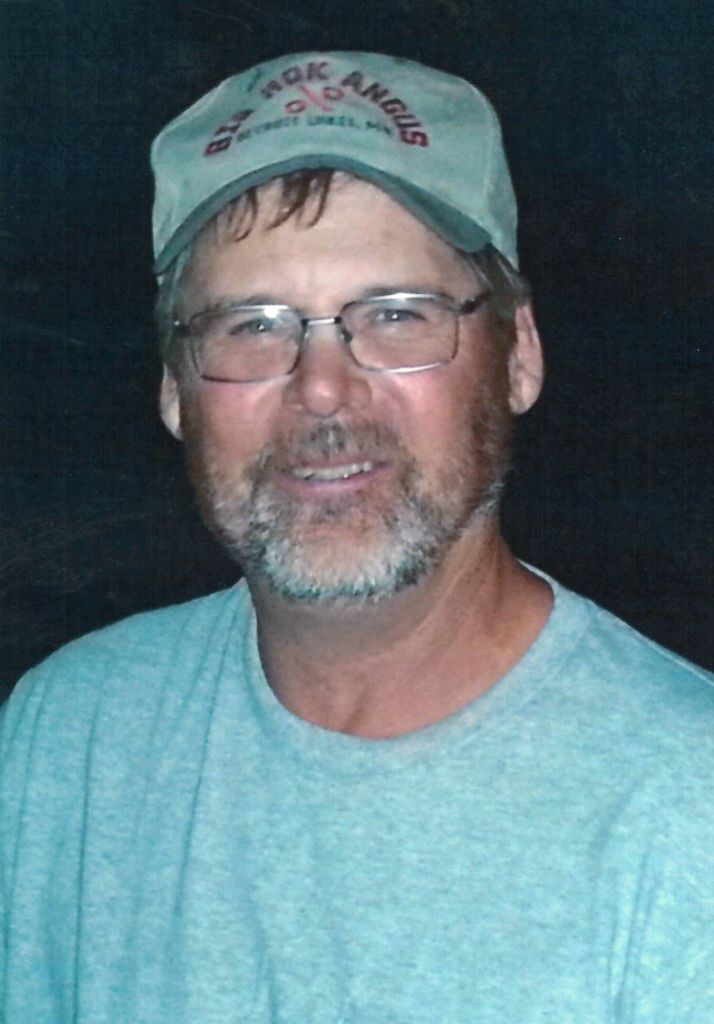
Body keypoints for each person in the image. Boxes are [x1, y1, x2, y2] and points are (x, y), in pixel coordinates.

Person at [1, 50, 713, 1024]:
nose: (323, 390)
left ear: (518, 356)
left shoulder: (684, 809)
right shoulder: (67, 742)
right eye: (253, 325)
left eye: (396, 315)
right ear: (174, 388)